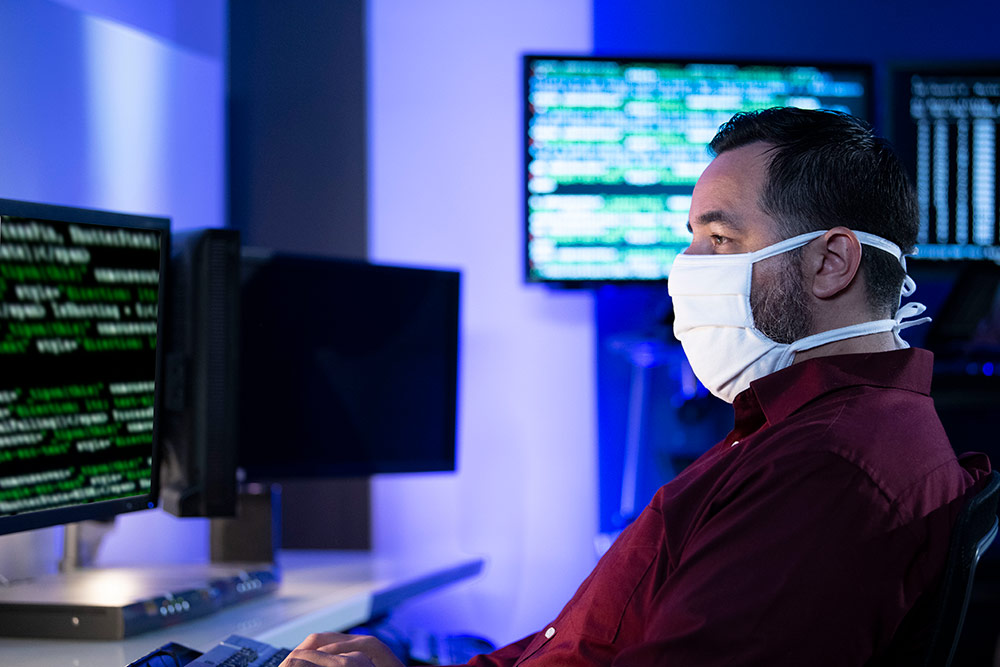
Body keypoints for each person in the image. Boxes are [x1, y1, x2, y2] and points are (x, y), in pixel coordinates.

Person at [278, 107, 992, 666]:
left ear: (831, 262)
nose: (686, 265)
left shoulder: (826, 472)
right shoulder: (809, 433)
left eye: (719, 239)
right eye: (692, 237)